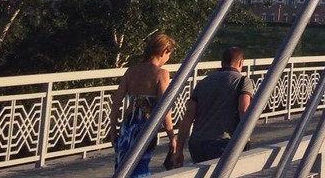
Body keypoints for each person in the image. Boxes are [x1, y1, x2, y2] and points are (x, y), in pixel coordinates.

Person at [108, 33, 177, 178]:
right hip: (145, 126)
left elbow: (116, 103)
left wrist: (113, 128)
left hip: (128, 125)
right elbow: (164, 108)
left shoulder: (131, 71)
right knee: (140, 166)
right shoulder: (161, 74)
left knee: (122, 166)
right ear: (164, 52)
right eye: (169, 54)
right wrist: (172, 136)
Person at [176, 46, 255, 164]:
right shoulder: (243, 81)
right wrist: (246, 138)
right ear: (241, 63)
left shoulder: (203, 82)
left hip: (197, 144)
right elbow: (243, 110)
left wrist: (179, 150)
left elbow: (188, 117)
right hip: (223, 143)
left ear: (222, 62)